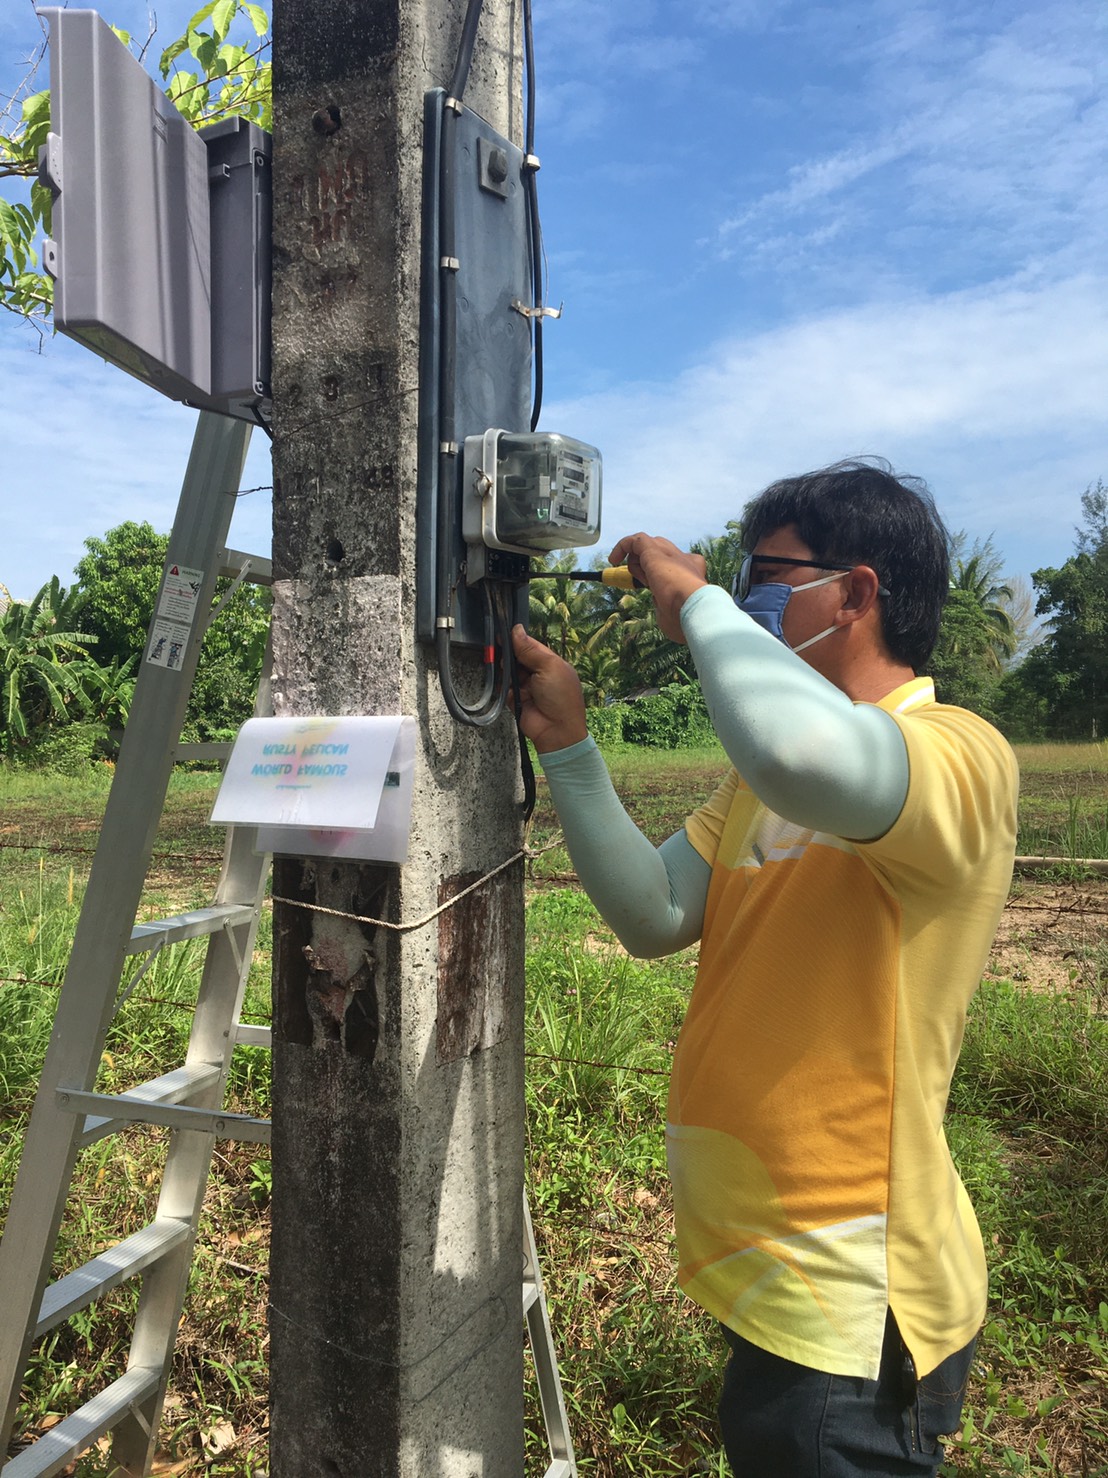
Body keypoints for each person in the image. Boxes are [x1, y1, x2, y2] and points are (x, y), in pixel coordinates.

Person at [511, 460, 1019, 1477]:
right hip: (775, 1277)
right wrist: (569, 744)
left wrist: (695, 599)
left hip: (851, 1298)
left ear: (857, 594)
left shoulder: (955, 752)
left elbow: (803, 752)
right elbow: (652, 913)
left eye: (766, 575)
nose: (747, 599)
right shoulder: (760, 784)